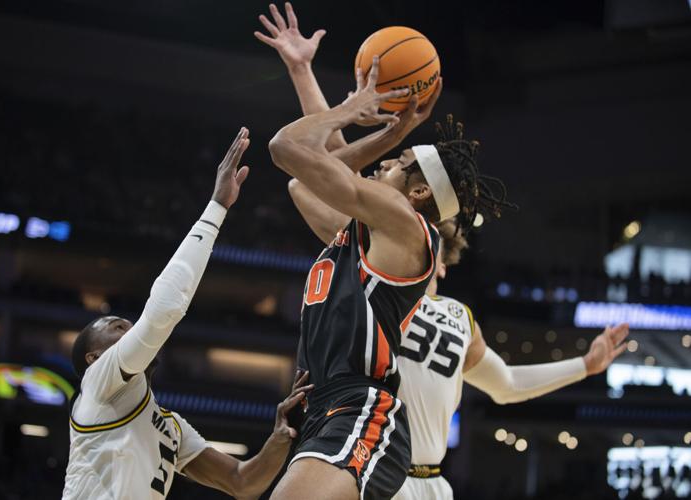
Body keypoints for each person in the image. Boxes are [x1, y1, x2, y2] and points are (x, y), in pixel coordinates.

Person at [261, 5, 511, 499]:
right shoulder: (369, 230)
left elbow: (291, 149)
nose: (382, 164)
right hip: (327, 406)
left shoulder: (406, 227)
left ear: (418, 194)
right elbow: (306, 181)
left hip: (361, 408)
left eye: (397, 162)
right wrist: (304, 71)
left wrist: (353, 110)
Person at [61, 128, 314, 500]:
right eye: (116, 327)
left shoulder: (170, 427)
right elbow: (163, 310)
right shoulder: (97, 385)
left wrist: (280, 437)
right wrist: (217, 208)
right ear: (95, 357)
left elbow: (243, 482)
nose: (129, 328)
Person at [392, 220, 630, 500]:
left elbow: (508, 384)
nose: (420, 246)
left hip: (430, 484)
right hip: (371, 473)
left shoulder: (461, 318)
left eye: (430, 244)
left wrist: (585, 365)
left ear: (442, 264)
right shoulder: (374, 292)